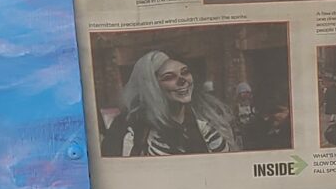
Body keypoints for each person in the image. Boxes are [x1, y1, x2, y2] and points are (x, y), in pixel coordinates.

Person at [100, 48, 236, 157]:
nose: (182, 80)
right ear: (152, 87)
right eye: (169, 77)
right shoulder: (131, 132)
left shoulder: (206, 126)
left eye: (185, 72)